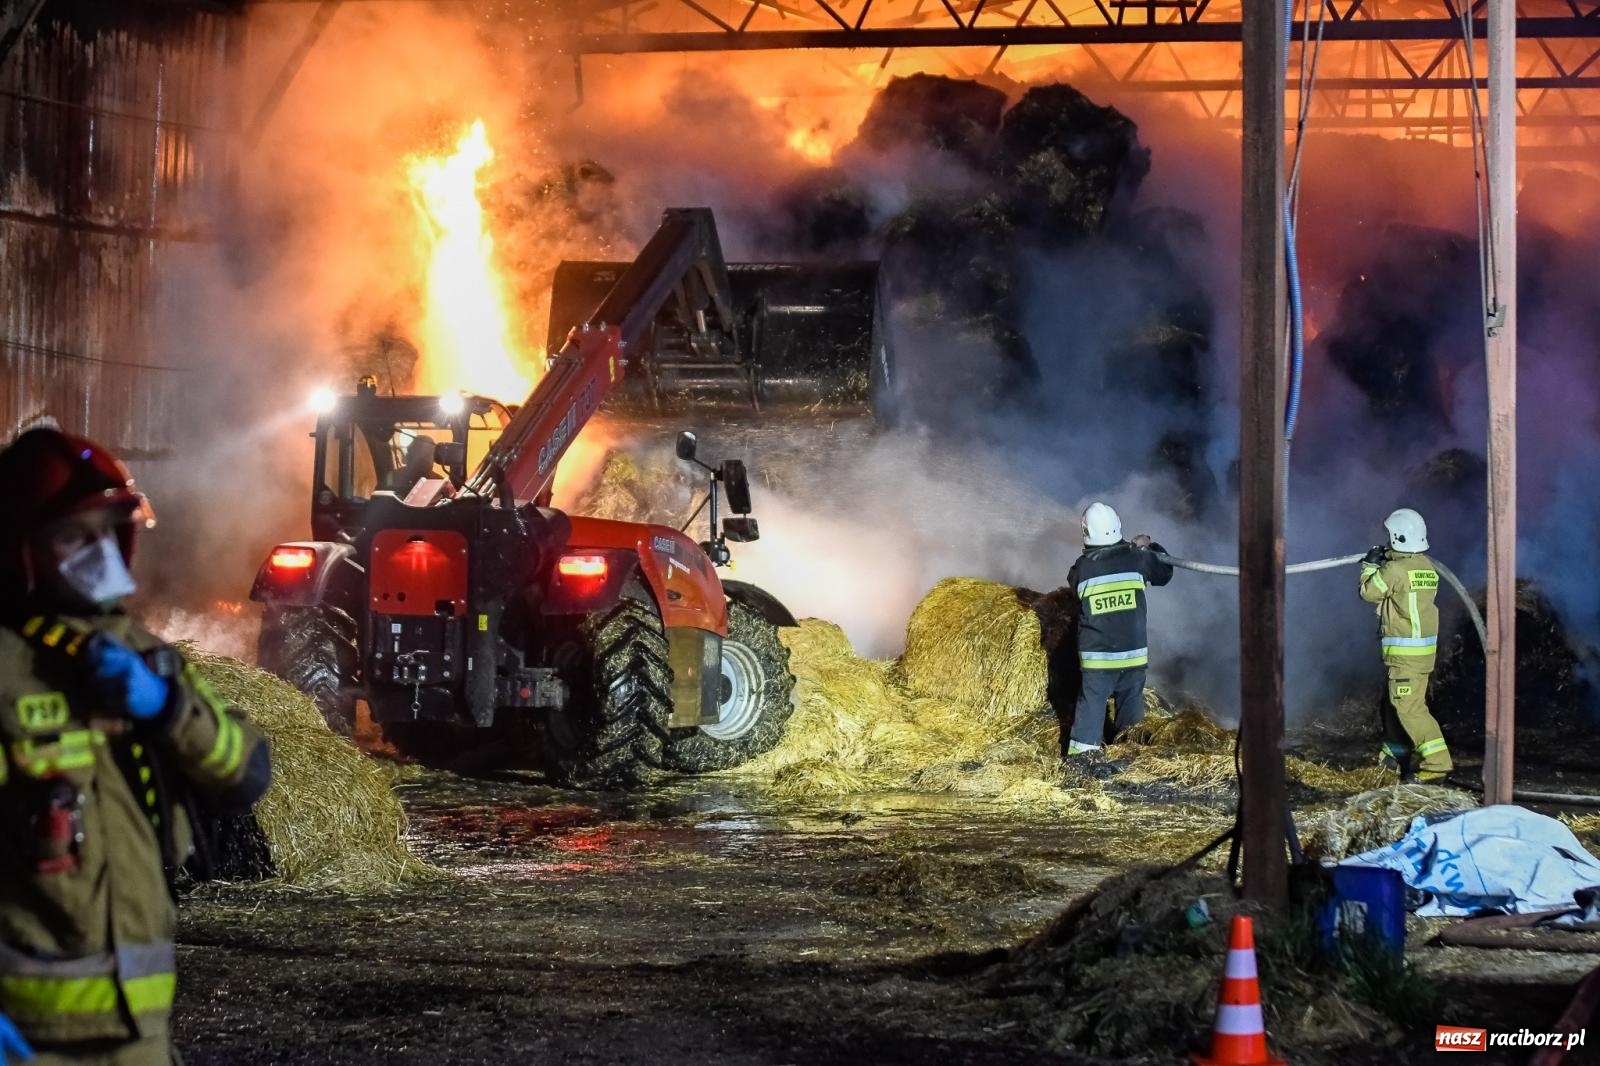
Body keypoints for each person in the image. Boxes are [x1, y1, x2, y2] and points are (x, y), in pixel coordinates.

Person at [0, 427, 271, 1065]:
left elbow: (246, 773)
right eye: (74, 536)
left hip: (141, 1042)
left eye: (108, 532)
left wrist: (168, 708)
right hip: (33, 1045)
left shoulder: (146, 659)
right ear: (20, 548)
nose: (100, 553)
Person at [1064, 501, 1174, 757]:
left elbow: (1073, 584)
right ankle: (1130, 758)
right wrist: (1150, 547)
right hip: (1133, 656)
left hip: (1098, 661)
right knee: (1131, 709)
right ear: (1117, 528)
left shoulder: (1082, 568)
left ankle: (1082, 764)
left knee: (1091, 708)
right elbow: (1164, 572)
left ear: (1086, 533)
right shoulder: (1138, 559)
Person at [1359, 507, 1452, 781]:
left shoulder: (1395, 571)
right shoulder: (1426, 567)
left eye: (1390, 538)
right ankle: (1396, 751)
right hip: (1421, 655)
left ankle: (1437, 765)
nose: (1387, 542)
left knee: (1409, 708)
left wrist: (1370, 566)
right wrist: (1387, 557)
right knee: (1395, 702)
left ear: (1398, 538)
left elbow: (1368, 592)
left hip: (1405, 655)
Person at [388, 434, 438, 500]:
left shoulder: (438, 482)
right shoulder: (392, 477)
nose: (424, 459)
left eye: (428, 455)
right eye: (419, 454)